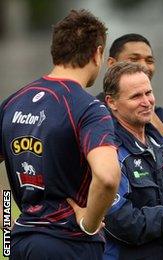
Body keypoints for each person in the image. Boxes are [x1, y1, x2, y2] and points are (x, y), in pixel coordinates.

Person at [0, 9, 120, 259]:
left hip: (21, 243)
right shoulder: (88, 108)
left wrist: (5, 220)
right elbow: (108, 177)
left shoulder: (13, 102)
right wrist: (89, 223)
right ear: (98, 54)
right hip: (69, 245)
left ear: (55, 51)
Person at [100, 62, 163, 259]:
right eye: (136, 96)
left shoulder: (159, 144)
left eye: (148, 93)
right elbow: (117, 220)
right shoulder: (108, 150)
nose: (147, 102)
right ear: (111, 102)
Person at [96, 33, 163, 167]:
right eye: (134, 59)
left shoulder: (161, 116)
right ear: (112, 64)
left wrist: (157, 125)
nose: (144, 66)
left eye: (149, 60)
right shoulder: (95, 114)